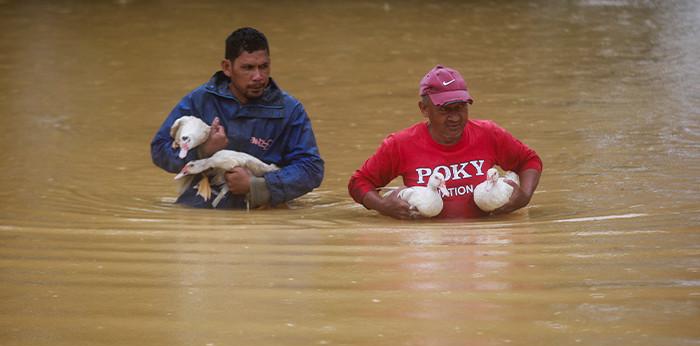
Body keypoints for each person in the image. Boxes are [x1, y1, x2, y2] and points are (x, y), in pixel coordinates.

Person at [151, 27, 324, 209]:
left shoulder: (289, 110)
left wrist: (257, 186)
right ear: (227, 67)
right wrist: (203, 152)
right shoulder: (200, 100)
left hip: (262, 209)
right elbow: (159, 150)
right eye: (248, 68)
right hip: (200, 204)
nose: (258, 76)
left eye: (263, 67)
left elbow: (311, 169)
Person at [348, 65, 542, 220]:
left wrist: (524, 196)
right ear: (424, 109)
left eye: (461, 108)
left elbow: (529, 161)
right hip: (430, 249)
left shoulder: (488, 134)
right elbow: (359, 182)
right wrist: (383, 206)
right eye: (445, 110)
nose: (455, 118)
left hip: (482, 247)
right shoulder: (400, 144)